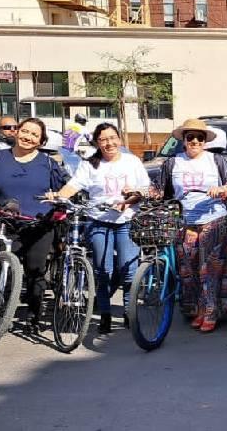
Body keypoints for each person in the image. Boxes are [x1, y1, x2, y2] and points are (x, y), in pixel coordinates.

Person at [50, 123, 149, 334]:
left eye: (112, 138)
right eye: (103, 139)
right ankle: (104, 313)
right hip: (98, 220)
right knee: (104, 270)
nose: (109, 143)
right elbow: (74, 185)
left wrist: (129, 200)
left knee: (128, 270)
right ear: (97, 142)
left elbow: (144, 189)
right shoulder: (90, 164)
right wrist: (58, 196)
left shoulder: (132, 161)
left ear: (119, 139)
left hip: (127, 220)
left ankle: (128, 313)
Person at [152, 119, 227, 333]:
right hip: (186, 221)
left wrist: (223, 189)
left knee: (209, 268)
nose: (195, 141)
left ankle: (212, 311)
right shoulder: (172, 163)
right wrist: (143, 193)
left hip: (214, 219)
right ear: (183, 140)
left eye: (199, 137)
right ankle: (199, 308)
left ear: (205, 141)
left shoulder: (216, 160)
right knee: (189, 270)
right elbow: (159, 189)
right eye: (190, 137)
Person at [0, 117, 68, 331]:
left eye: (34, 135)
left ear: (41, 141)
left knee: (35, 270)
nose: (28, 137)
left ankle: (33, 314)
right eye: (25, 131)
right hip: (3, 222)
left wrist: (56, 195)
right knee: (0, 267)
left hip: (38, 224)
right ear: (17, 132)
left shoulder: (48, 163)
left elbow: (64, 189)